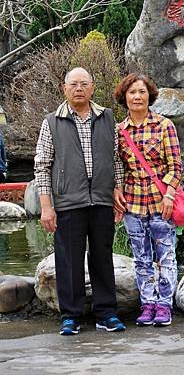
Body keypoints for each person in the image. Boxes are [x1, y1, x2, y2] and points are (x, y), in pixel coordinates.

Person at [34, 67, 126, 336]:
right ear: (64, 88)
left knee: (102, 256)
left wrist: (117, 189)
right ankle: (71, 316)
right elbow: (42, 166)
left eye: (83, 84)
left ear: (92, 87)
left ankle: (106, 313)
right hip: (67, 201)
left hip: (101, 199)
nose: (78, 89)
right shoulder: (52, 121)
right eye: (73, 84)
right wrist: (46, 205)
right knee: (68, 261)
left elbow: (116, 158)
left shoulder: (107, 117)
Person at [114, 73, 181, 327]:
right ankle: (147, 303)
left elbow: (175, 166)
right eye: (132, 92)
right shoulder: (120, 131)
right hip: (132, 203)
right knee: (141, 258)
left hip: (161, 201)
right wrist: (116, 190)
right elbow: (118, 166)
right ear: (125, 97)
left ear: (149, 95)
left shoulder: (164, 126)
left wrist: (169, 194)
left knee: (166, 256)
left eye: (142, 92)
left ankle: (164, 305)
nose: (137, 96)